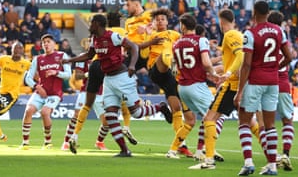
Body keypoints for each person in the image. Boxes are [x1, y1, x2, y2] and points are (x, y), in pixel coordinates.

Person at [63, 14, 171, 157]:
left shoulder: (113, 36)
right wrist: (69, 60)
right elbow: (89, 55)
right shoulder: (95, 39)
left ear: (97, 24)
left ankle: (161, 107)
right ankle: (124, 150)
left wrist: (132, 65)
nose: (89, 26)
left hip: (122, 78)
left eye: (91, 23)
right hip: (108, 80)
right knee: (110, 116)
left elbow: (133, 46)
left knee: (136, 113)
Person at [234, 1, 291, 176]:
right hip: (273, 82)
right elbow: (289, 56)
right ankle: (272, 166)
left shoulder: (250, 33)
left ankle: (248, 163)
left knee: (244, 121)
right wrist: (275, 67)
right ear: (268, 13)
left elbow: (247, 65)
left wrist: (239, 90)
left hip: (255, 81)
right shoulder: (279, 31)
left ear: (254, 13)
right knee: (270, 125)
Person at [190, 9, 244, 169]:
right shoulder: (240, 35)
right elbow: (234, 59)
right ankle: (272, 156)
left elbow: (240, 56)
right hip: (240, 84)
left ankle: (209, 160)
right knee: (249, 121)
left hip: (231, 85)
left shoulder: (230, 35)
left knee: (209, 119)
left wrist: (228, 73)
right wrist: (219, 71)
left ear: (221, 22)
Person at [138, 9, 192, 157]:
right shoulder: (152, 35)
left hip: (169, 75)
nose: (160, 21)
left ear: (167, 22)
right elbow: (143, 55)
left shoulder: (175, 35)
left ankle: (182, 145)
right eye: (157, 19)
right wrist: (147, 36)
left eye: (163, 19)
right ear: (154, 23)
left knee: (176, 108)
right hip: (156, 69)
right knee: (165, 53)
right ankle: (173, 65)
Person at [166, 14, 218, 163]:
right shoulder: (201, 40)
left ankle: (172, 150)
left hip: (182, 87)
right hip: (197, 85)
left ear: (183, 26)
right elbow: (207, 63)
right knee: (213, 117)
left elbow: (173, 67)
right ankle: (207, 155)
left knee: (189, 121)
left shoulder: (176, 43)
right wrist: (213, 74)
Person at [19, 34, 72, 150]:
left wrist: (56, 72)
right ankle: (25, 143)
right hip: (40, 92)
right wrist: (36, 87)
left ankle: (48, 142)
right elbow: (28, 78)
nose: (46, 44)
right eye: (44, 42)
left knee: (44, 112)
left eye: (48, 41)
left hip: (54, 93)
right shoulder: (37, 59)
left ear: (54, 44)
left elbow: (69, 75)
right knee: (28, 111)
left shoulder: (62, 55)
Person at [61, 58, 109, 152]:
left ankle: (99, 142)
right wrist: (90, 73)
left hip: (101, 93)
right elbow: (78, 76)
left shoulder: (105, 56)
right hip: (86, 91)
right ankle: (66, 142)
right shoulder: (83, 58)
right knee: (76, 116)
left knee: (107, 122)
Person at [267, 11, 294, 171]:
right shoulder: (283, 37)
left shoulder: (263, 36)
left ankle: (272, 156)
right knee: (287, 120)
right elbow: (289, 58)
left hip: (266, 82)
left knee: (267, 123)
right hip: (282, 82)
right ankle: (286, 154)